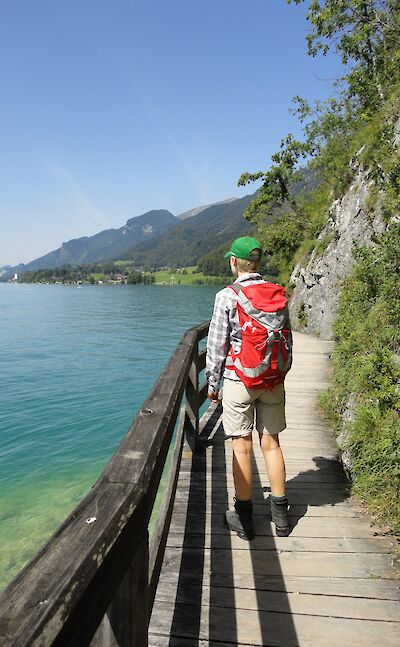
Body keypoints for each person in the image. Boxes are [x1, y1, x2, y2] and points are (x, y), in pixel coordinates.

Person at [206, 236, 291, 540]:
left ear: (234, 262)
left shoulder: (227, 296)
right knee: (272, 444)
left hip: (239, 380)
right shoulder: (276, 294)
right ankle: (281, 517)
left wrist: (213, 384)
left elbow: (217, 345)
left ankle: (244, 518)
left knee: (241, 446)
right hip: (271, 380)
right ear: (257, 263)